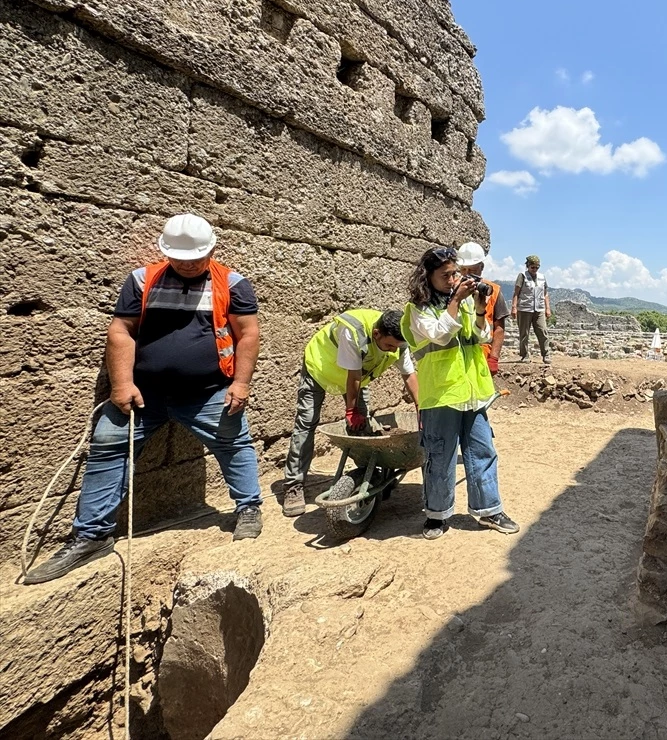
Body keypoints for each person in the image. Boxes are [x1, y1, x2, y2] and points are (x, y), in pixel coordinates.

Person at [24, 214, 264, 584]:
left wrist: (242, 383)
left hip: (208, 392)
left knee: (234, 444)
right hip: (143, 393)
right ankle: (91, 536)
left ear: (212, 249)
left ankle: (248, 509)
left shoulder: (233, 284)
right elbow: (121, 331)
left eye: (195, 258)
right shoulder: (142, 280)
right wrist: (121, 384)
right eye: (179, 258)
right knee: (106, 447)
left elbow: (247, 334)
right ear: (164, 251)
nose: (187, 264)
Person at [402, 246, 519, 540]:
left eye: (455, 273)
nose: (453, 279)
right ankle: (436, 515)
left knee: (483, 451)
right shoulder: (417, 310)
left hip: (472, 392)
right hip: (441, 394)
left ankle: (489, 510)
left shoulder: (464, 302)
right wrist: (456, 300)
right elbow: (441, 334)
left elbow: (482, 335)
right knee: (440, 455)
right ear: (427, 277)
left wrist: (479, 309)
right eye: (446, 276)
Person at [281, 309, 419, 516]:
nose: (393, 351)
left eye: (396, 346)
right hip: (320, 367)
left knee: (362, 427)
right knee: (307, 422)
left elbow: (409, 375)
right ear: (376, 334)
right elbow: (353, 374)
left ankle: (368, 476)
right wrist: (351, 410)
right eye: (389, 345)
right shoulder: (353, 331)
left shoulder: (399, 340)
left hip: (354, 377)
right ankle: (294, 485)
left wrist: (422, 409)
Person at [457, 242, 508, 375]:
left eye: (472, 270)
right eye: (463, 270)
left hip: (482, 354)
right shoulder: (453, 289)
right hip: (458, 356)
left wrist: (494, 358)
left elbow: (499, 328)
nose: (467, 275)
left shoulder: (493, 291)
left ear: (481, 267)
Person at [511, 254, 551, 364]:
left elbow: (545, 293)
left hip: (539, 309)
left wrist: (548, 308)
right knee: (524, 333)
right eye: (532, 267)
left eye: (537, 267)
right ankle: (525, 355)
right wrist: (514, 307)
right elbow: (516, 292)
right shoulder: (522, 276)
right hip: (524, 308)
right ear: (528, 266)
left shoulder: (542, 277)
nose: (535, 269)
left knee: (542, 331)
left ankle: (546, 354)